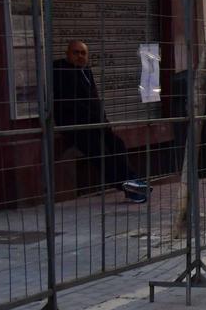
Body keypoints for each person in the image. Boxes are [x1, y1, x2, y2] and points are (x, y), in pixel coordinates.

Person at [52, 40, 149, 203]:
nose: (80, 56)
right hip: (77, 126)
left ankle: (132, 180)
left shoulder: (85, 71)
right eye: (75, 52)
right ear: (67, 54)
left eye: (83, 53)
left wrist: (104, 121)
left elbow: (94, 99)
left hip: (96, 123)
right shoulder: (61, 71)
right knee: (101, 154)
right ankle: (127, 186)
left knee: (117, 144)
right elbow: (71, 103)